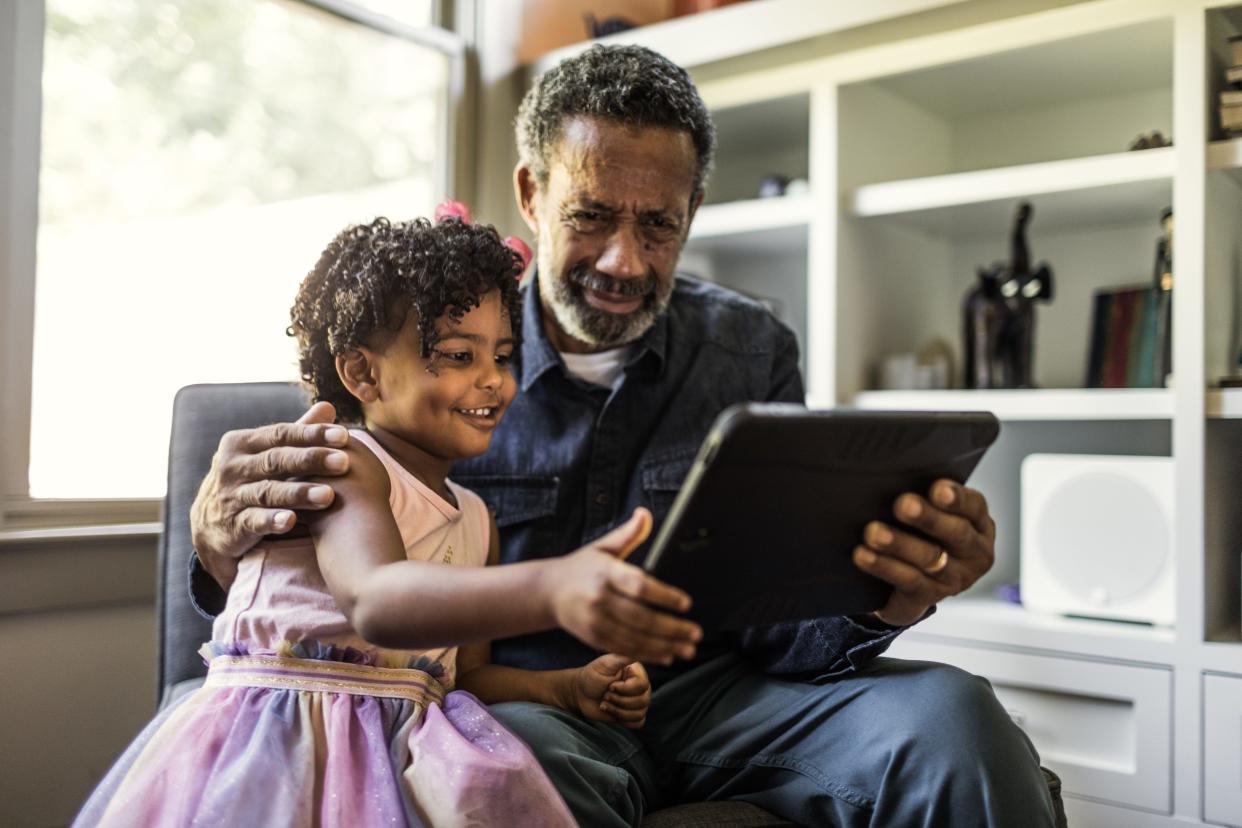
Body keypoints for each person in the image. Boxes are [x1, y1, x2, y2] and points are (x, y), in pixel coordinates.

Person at [190, 46, 1057, 826]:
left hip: (727, 693)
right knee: (508, 771)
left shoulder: (752, 349)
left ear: (694, 210)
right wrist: (215, 544)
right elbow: (330, 571)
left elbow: (783, 624)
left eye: (658, 225)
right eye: (593, 215)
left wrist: (884, 596)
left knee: (954, 718)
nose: (625, 263)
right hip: (522, 700)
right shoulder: (423, 359)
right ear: (532, 194)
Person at [75, 213, 706, 828]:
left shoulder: (477, 518)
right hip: (288, 738)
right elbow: (376, 599)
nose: (494, 381)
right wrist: (552, 589)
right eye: (459, 354)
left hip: (395, 739)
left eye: (503, 355)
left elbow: (468, 673)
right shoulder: (343, 460)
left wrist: (566, 688)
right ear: (362, 372)